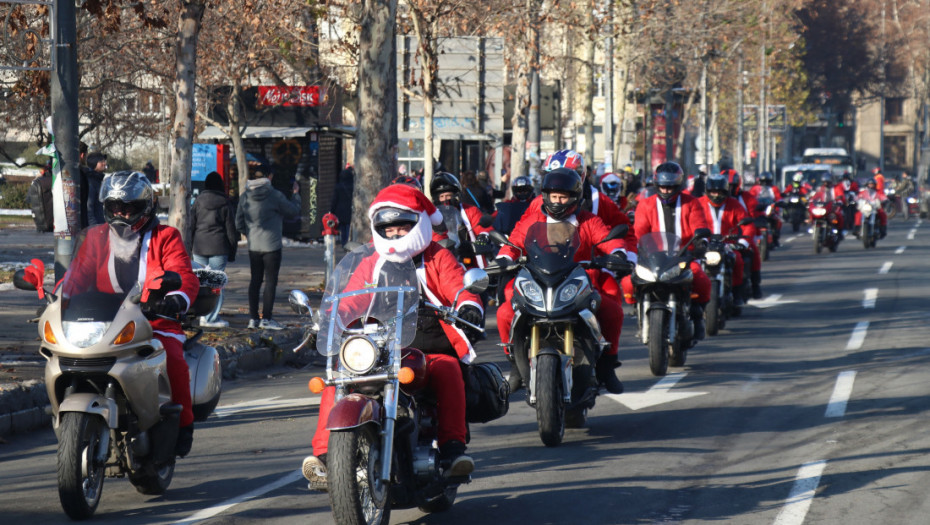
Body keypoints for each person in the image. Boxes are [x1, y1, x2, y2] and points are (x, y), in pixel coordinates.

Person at [302, 184, 484, 489]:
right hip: (379, 346)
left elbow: (460, 287)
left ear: (418, 224)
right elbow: (350, 298)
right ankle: (324, 456)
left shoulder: (436, 257)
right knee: (337, 377)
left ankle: (453, 449)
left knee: (449, 369)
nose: (396, 234)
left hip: (427, 344)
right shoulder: (372, 262)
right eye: (389, 228)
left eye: (403, 227)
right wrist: (328, 320)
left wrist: (468, 307)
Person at [61, 171, 198, 456]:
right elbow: (78, 274)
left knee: (173, 359)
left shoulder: (166, 237)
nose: (122, 213)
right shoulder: (96, 237)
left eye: (129, 207)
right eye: (115, 207)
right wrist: (58, 298)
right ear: (106, 208)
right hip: (105, 321)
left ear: (146, 207)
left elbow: (182, 273)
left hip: (153, 319)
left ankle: (184, 425)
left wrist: (174, 299)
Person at [494, 167, 633, 395]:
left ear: (575, 197)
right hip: (537, 279)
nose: (558, 202)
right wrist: (503, 258)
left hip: (577, 281)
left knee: (613, 311)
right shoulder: (532, 219)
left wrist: (618, 253)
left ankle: (607, 366)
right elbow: (513, 243)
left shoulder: (588, 220)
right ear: (546, 196)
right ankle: (516, 366)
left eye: (563, 196)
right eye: (553, 196)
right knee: (504, 314)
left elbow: (608, 239)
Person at [620, 162, 712, 337]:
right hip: (653, 258)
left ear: (678, 185)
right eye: (662, 186)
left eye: (670, 186)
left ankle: (698, 314)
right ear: (656, 184)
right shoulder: (645, 205)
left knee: (701, 279)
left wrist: (701, 244)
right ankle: (637, 305)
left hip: (683, 257)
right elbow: (638, 232)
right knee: (627, 282)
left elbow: (699, 226)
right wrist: (632, 250)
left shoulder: (691, 203)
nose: (666, 190)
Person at [235, 168, 300, 330]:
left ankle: (253, 318)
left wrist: (249, 234)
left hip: (254, 246)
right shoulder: (274, 195)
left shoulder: (244, 197)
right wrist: (296, 195)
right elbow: (293, 211)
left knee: (255, 281)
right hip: (272, 246)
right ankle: (267, 318)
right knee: (270, 281)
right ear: (269, 177)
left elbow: (238, 223)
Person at [190, 172, 238, 328]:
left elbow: (191, 225)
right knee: (216, 282)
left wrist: (190, 247)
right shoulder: (224, 202)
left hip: (199, 246)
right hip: (219, 247)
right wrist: (232, 250)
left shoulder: (198, 201)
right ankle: (212, 317)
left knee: (200, 282)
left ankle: (201, 315)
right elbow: (231, 229)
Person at [698, 174, 753, 304]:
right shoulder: (698, 203)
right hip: (704, 244)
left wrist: (742, 243)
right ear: (707, 191)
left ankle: (737, 293)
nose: (716, 195)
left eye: (719, 192)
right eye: (713, 192)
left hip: (727, 244)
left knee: (738, 261)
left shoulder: (734, 204)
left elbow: (748, 225)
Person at [430, 171, 492, 268]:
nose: (445, 199)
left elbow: (483, 228)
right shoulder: (432, 217)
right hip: (442, 260)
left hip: (469, 258)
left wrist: (483, 237)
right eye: (441, 196)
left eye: (448, 195)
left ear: (456, 195)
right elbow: (430, 236)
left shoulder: (470, 211)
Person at [722, 169, 764, 298]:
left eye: (731, 186)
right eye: (726, 185)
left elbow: (754, 211)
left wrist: (758, 217)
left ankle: (755, 285)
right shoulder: (714, 201)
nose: (728, 188)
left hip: (742, 235)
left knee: (754, 252)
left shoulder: (745, 197)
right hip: (721, 238)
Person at [81, 151, 107, 228]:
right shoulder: (91, 182)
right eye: (101, 161)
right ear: (94, 163)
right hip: (95, 227)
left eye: (104, 161)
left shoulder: (97, 179)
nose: (104, 163)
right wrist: (94, 228)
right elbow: (89, 208)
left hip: (100, 224)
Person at [329, 167, 354, 245]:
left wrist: (332, 211)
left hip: (341, 211)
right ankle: (349, 242)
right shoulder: (354, 186)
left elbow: (334, 200)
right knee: (349, 227)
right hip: (350, 210)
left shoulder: (338, 187)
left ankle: (344, 243)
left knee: (343, 228)